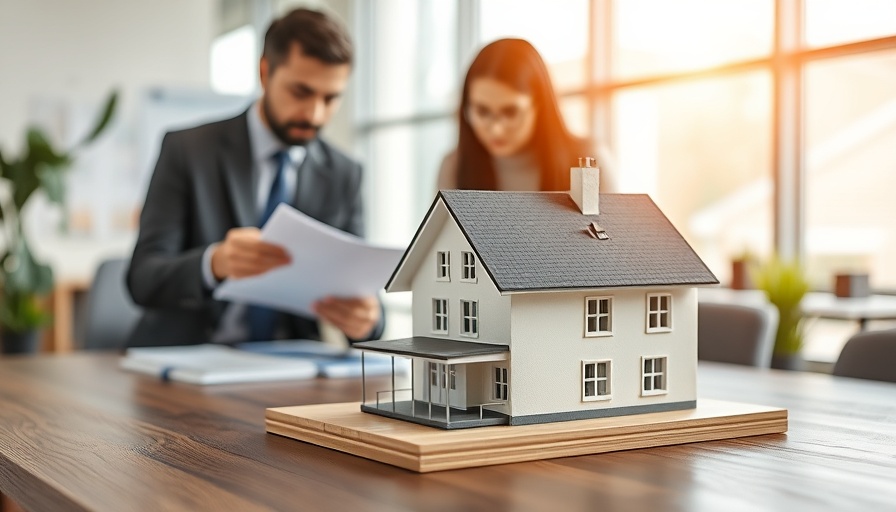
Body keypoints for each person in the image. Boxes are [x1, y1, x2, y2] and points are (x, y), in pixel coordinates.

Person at [126, 8, 383, 347]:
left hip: (288, 367)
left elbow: (366, 298)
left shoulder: (344, 174)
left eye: (331, 98)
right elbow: (143, 279)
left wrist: (368, 319)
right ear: (265, 73)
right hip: (189, 359)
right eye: (301, 92)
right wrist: (214, 263)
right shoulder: (188, 150)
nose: (315, 114)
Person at [437, 38, 611, 192]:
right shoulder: (453, 167)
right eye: (482, 111)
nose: (496, 130)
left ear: (540, 106)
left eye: (510, 112)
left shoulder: (590, 164)